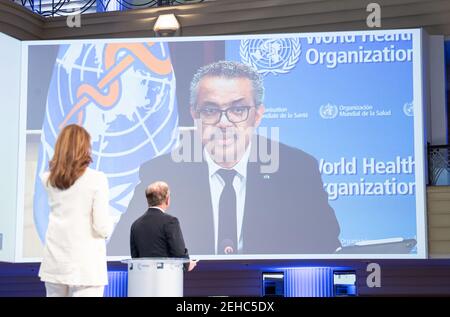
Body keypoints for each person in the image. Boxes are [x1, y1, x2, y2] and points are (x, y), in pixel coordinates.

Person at [108, 60, 341, 255]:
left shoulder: (297, 169)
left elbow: (327, 246)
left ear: (258, 115)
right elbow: (121, 249)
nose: (224, 122)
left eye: (238, 110)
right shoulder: (161, 173)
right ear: (194, 115)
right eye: (210, 111)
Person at [38, 124, 113, 297]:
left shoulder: (47, 180)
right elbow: (101, 226)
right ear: (84, 148)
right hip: (86, 268)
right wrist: (111, 222)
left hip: (55, 264)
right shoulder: (97, 179)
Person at [130, 181, 197, 271]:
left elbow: (135, 258)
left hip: (143, 280)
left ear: (148, 200)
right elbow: (179, 253)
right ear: (167, 199)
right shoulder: (170, 222)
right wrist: (187, 264)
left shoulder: (135, 224)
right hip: (166, 279)